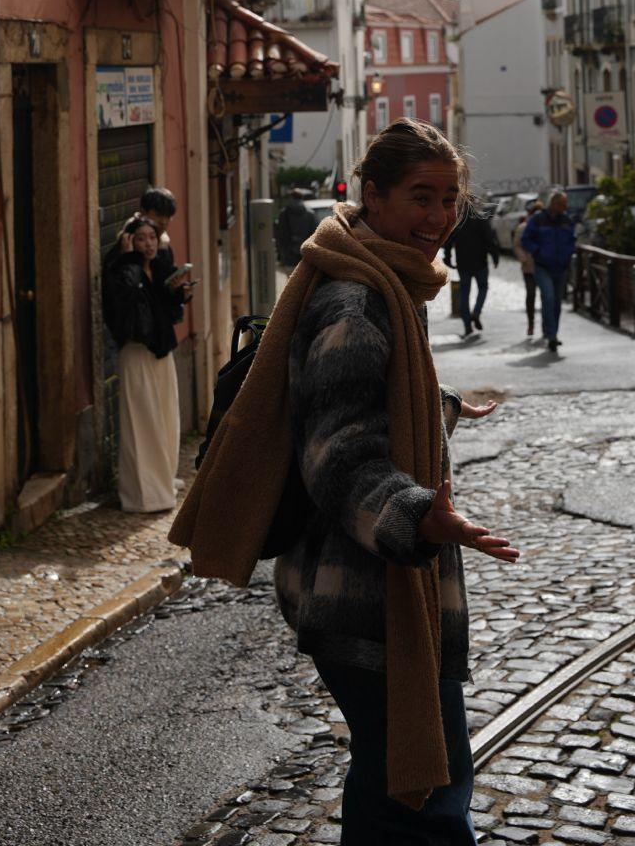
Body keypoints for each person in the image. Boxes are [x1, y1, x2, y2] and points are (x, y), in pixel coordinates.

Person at [171, 119, 519, 844]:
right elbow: (339, 454)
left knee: (393, 780)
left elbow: (359, 400)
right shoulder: (356, 303)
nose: (439, 217)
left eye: (450, 197)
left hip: (356, 588)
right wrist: (417, 518)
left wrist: (440, 406)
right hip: (361, 593)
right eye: (421, 197)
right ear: (374, 197)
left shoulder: (378, 280)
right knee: (426, 787)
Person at [103, 214, 189, 512]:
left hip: (161, 352)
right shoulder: (121, 271)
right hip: (136, 353)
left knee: (165, 420)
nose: (149, 243)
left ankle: (162, 484)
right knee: (142, 425)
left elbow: (165, 310)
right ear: (129, 241)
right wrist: (126, 260)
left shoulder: (160, 269)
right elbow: (122, 306)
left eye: (152, 237)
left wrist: (179, 293)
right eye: (141, 238)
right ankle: (142, 496)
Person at [519, 188, 577, 353]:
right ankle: (551, 335)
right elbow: (526, 239)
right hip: (543, 266)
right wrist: (537, 252)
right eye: (563, 205)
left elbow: (572, 239)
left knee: (557, 302)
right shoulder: (538, 220)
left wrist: (568, 254)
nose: (565, 208)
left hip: (561, 267)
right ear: (555, 204)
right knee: (549, 298)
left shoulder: (566, 220)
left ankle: (553, 333)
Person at [442, 200, 500, 337]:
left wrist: (448, 258)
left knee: (464, 293)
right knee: (483, 288)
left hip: (463, 264)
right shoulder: (481, 220)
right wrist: (495, 256)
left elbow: (448, 242)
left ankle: (467, 324)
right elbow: (490, 240)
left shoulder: (458, 222)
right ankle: (477, 311)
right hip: (480, 262)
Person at [513, 201, 541, 339]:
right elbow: (517, 245)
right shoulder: (523, 227)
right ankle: (531, 324)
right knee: (531, 296)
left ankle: (546, 326)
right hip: (528, 268)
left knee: (546, 297)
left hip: (544, 267)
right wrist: (524, 259)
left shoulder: (544, 226)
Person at [275, 188, 316, 267]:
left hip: (289, 257)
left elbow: (280, 235)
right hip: (305, 256)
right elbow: (315, 235)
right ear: (302, 198)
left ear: (291, 198)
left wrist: (281, 256)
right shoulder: (310, 214)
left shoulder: (284, 214)